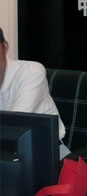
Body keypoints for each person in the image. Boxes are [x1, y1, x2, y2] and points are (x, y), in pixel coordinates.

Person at [0, 27, 70, 159]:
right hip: (7, 156)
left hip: (46, 153)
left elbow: (12, 126)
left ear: (5, 46)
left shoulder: (31, 72)